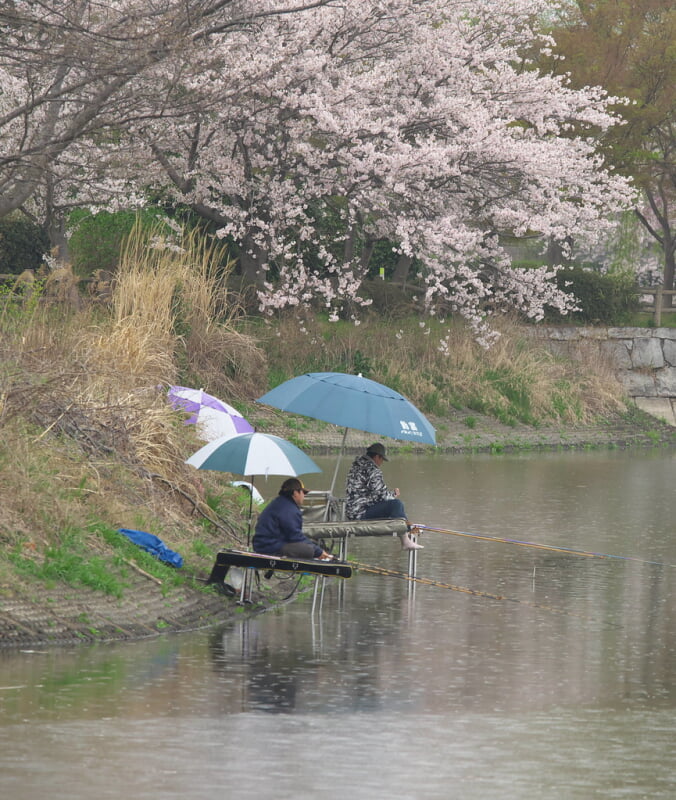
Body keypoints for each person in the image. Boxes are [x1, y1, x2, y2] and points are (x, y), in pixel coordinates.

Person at [345, 442, 423, 550]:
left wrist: (391, 494)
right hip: (361, 513)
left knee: (394, 507)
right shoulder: (372, 470)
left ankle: (406, 527)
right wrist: (394, 495)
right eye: (382, 459)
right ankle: (405, 537)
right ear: (377, 457)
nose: (381, 463)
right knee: (396, 504)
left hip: (352, 511)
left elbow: (373, 493)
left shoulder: (356, 466)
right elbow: (381, 495)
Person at [253, 477, 334, 560]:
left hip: (263, 545)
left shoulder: (280, 503)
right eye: (303, 492)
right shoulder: (289, 509)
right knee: (308, 550)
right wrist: (318, 551)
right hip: (269, 548)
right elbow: (295, 537)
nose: (304, 496)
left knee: (310, 545)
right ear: (295, 493)